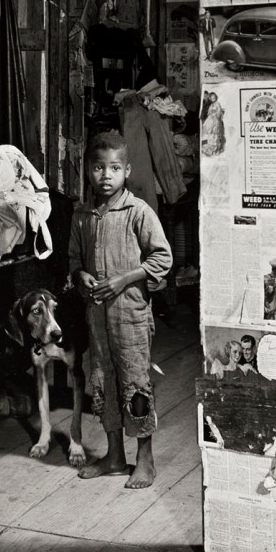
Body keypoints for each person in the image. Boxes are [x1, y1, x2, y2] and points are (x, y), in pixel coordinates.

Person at [69, 132, 172, 489]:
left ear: (127, 170)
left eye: (114, 168)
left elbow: (162, 257)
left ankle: (145, 459)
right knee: (104, 382)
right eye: (98, 168)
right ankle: (115, 456)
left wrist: (125, 278)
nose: (106, 175)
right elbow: (74, 261)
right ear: (88, 170)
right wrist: (80, 274)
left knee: (135, 384)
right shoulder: (82, 216)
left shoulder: (138, 211)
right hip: (97, 317)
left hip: (131, 315)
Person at [202, 92, 226, 157]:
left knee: (214, 134)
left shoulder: (217, 104)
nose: (213, 99)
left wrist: (215, 116)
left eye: (214, 98)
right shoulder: (210, 105)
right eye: (212, 98)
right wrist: (210, 115)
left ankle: (214, 150)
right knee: (206, 133)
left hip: (215, 120)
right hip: (210, 119)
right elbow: (208, 112)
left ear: (216, 98)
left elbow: (219, 112)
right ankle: (206, 149)